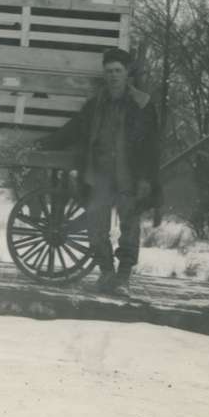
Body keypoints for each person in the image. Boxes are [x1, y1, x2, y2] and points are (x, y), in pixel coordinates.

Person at [36, 47, 162, 295]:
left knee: (130, 226)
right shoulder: (95, 105)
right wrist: (43, 144)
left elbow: (152, 146)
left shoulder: (143, 104)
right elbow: (72, 130)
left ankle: (123, 277)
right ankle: (106, 272)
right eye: (109, 71)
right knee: (95, 227)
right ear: (104, 75)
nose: (113, 76)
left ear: (127, 74)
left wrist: (147, 179)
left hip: (129, 175)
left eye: (118, 71)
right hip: (100, 176)